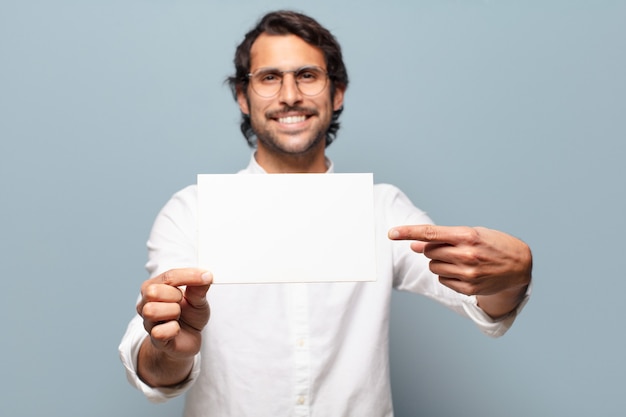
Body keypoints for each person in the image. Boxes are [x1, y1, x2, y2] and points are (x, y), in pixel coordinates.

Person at [119, 10, 532, 417]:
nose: (290, 95)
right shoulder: (191, 212)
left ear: (337, 93)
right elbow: (153, 369)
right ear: (243, 98)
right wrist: (168, 348)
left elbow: (480, 300)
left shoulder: (382, 208)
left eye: (307, 75)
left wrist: (512, 277)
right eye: (269, 78)